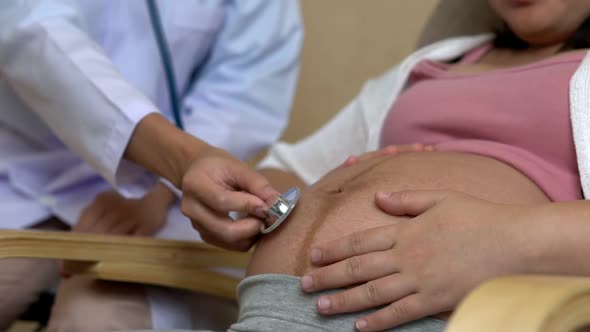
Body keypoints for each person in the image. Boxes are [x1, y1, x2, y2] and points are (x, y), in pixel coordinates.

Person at [122, 0, 590, 331]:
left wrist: (504, 241)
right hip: (270, 308)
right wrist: (245, 200)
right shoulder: (434, 62)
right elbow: (290, 169)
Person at [0, 0, 302, 330]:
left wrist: (162, 186)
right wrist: (180, 162)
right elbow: (35, 35)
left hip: (171, 196)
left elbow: (245, 91)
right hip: (24, 171)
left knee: (95, 321)